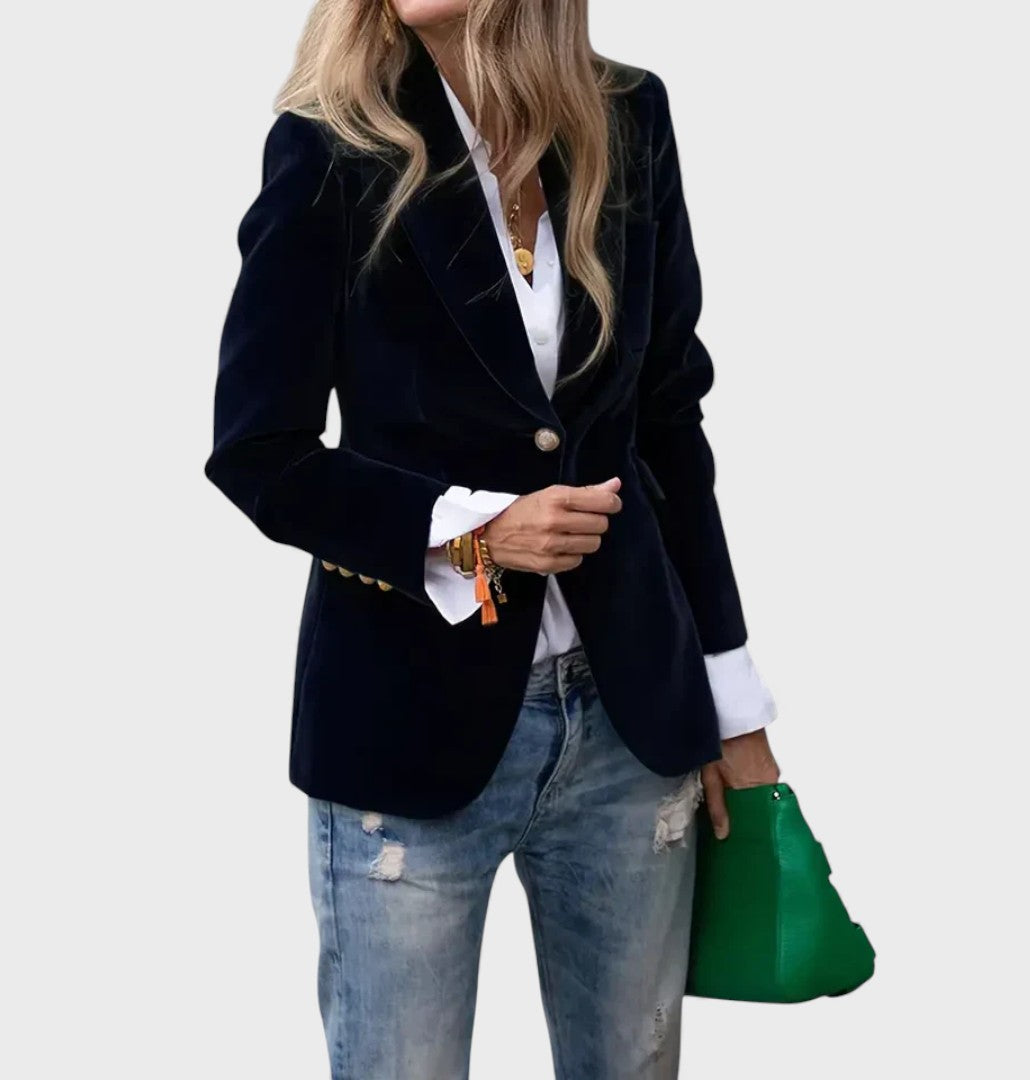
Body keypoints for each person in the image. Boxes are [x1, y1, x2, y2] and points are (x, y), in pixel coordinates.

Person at [206, 1, 782, 1076]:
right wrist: (473, 532)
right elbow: (259, 452)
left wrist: (734, 711)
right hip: (406, 723)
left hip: (630, 722)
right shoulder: (331, 146)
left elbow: (669, 423)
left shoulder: (628, 116)